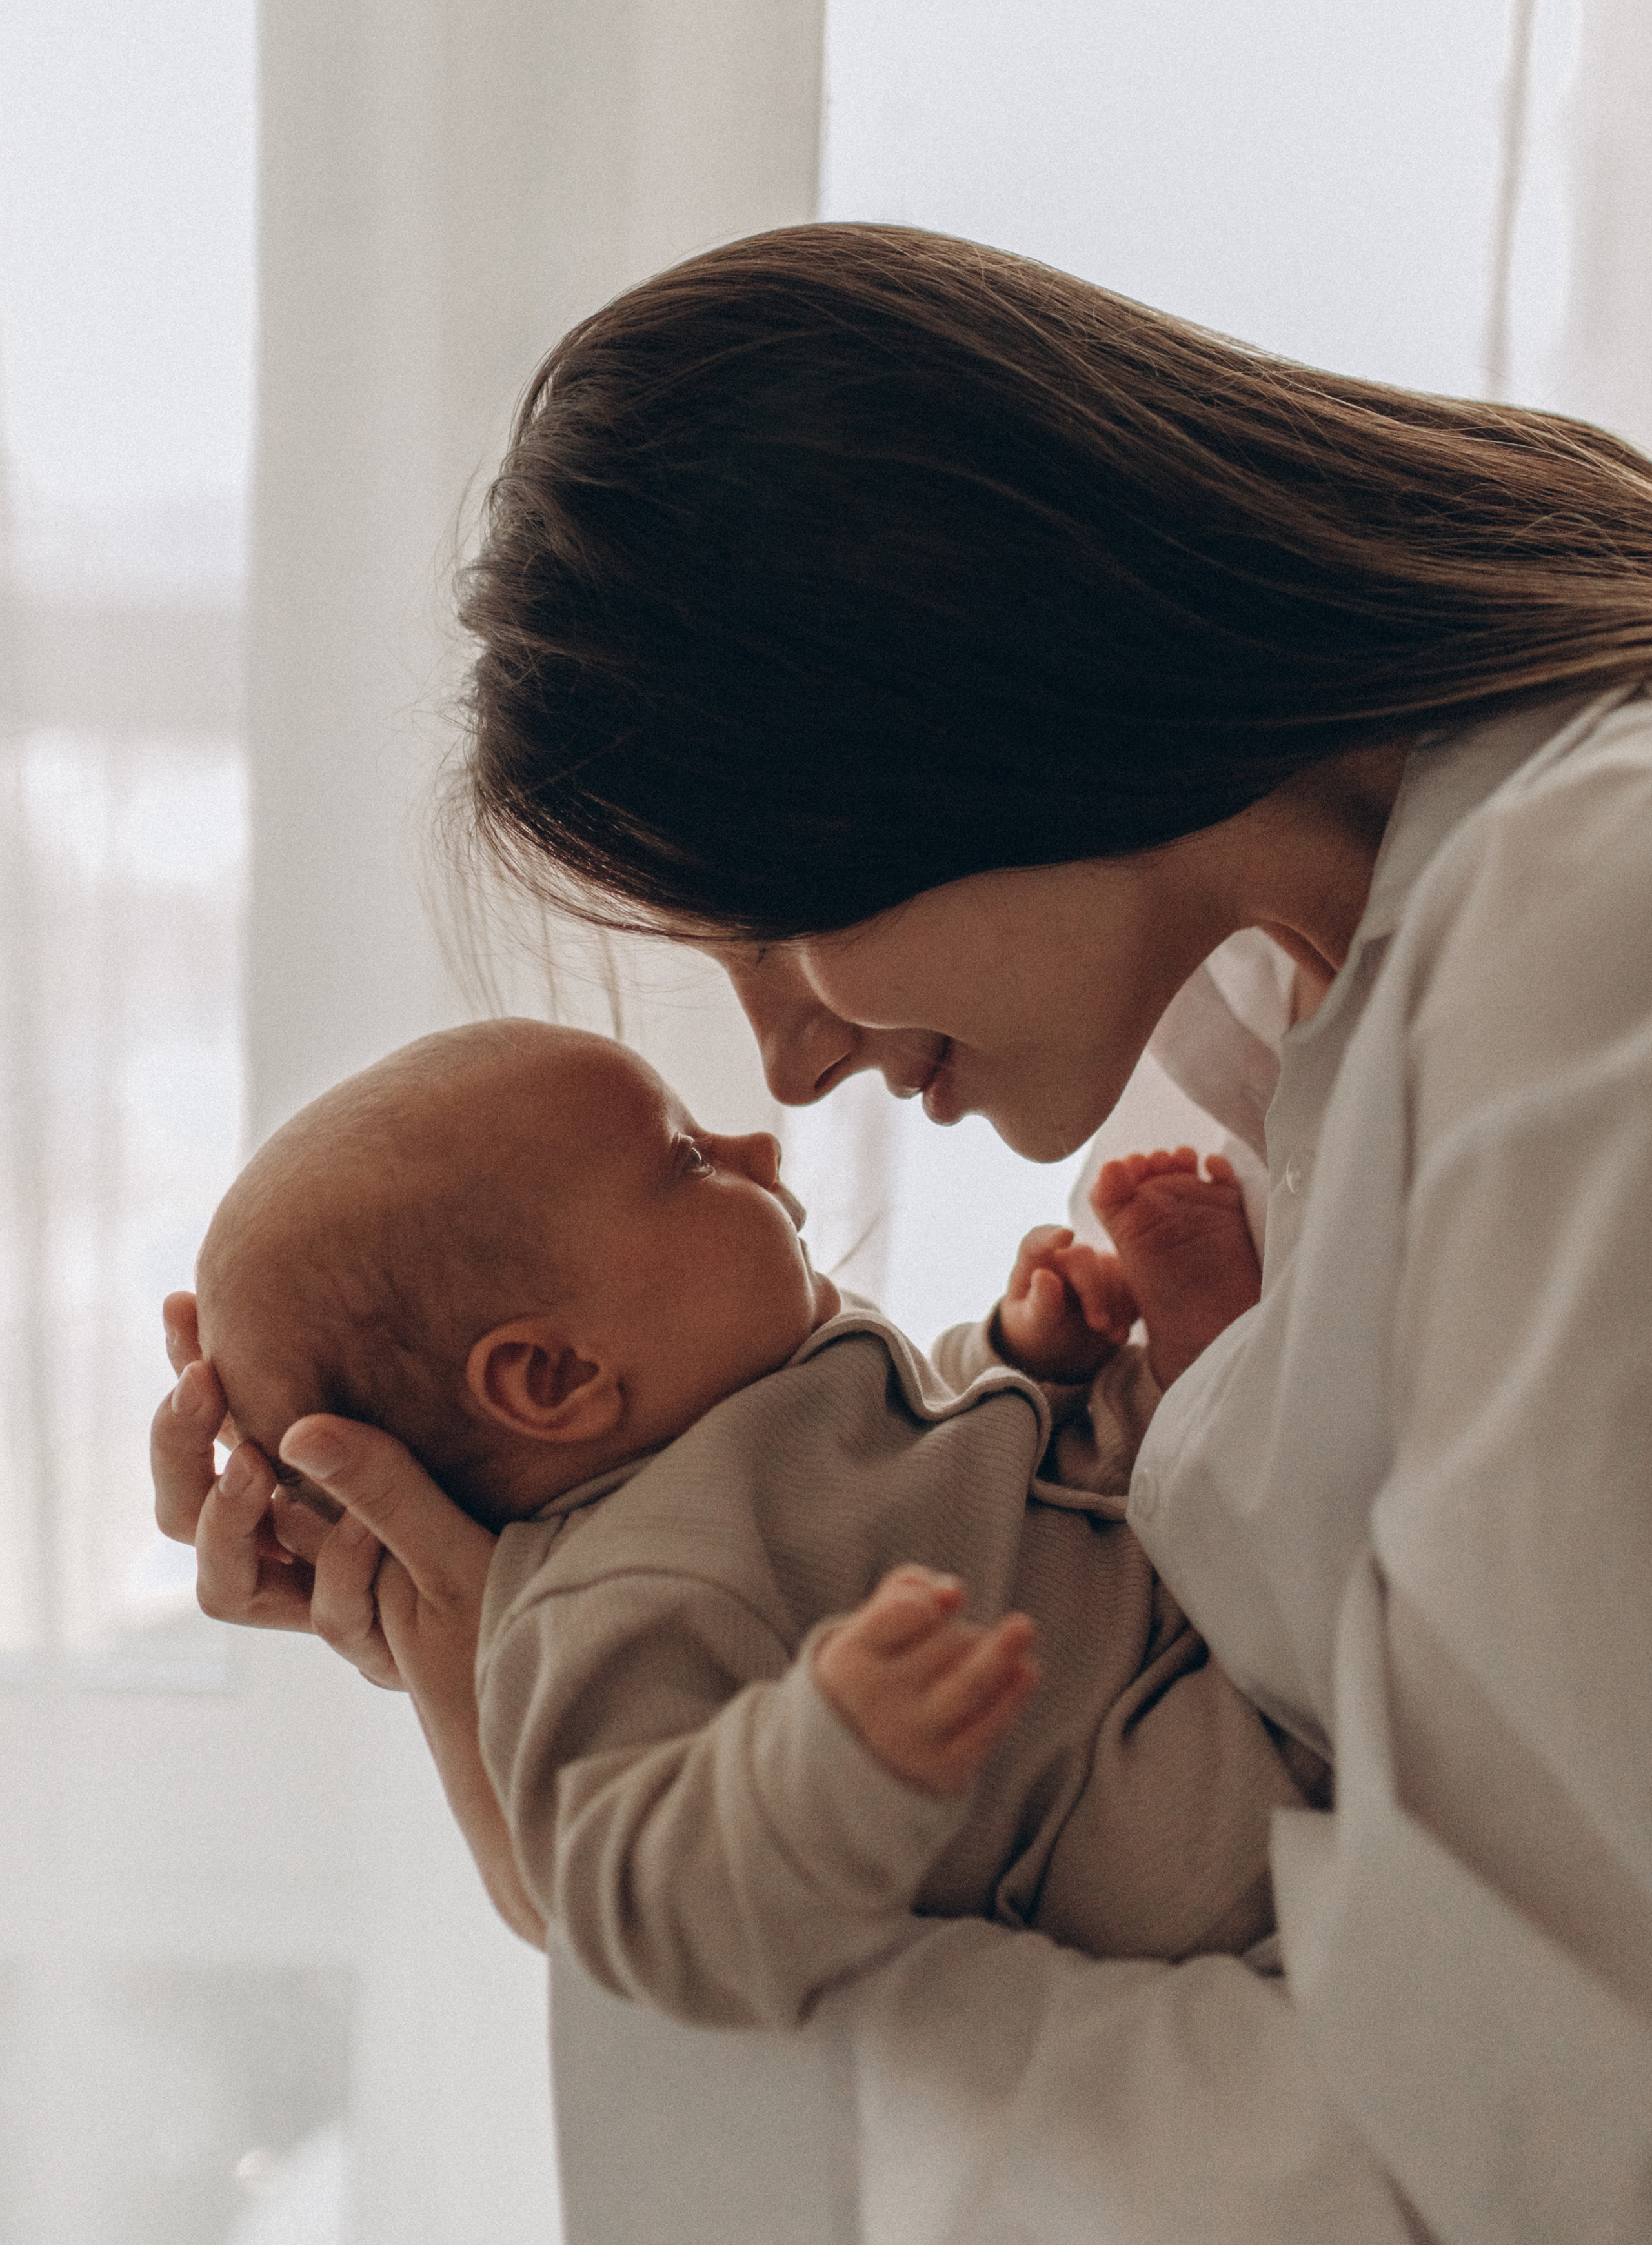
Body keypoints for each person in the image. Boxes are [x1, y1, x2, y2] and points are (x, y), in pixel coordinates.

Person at [156, 223, 1652, 2240]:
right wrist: (499, 1637)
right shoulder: (1267, 1014)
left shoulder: (1588, 956)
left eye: (779, 920)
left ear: (974, 703)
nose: (789, 1064)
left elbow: (1542, 2120)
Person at [194, 1014, 1305, 2024]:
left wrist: (1025, 1358)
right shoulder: (614, 1598)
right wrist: (820, 1760)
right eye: (687, 1159)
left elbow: (934, 1442)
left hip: (1122, 1586)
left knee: (1152, 1455)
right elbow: (629, 1897)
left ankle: (1196, 1379)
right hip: (1123, 1807)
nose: (758, 1152)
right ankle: (1217, 1393)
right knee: (1244, 1763)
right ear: (553, 1375)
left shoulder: (766, 1389)